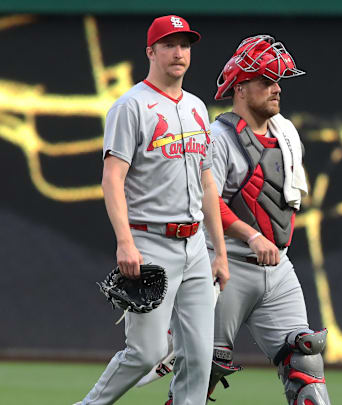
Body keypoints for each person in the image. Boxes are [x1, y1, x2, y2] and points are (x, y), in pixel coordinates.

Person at [166, 34, 331, 405]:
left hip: (277, 270)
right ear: (240, 89)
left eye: (277, 82)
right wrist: (252, 235)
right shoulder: (218, 137)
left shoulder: (286, 134)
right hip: (224, 268)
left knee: (305, 359)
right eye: (266, 81)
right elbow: (205, 202)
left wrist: (267, 238)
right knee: (199, 376)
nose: (276, 90)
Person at [76, 15, 229, 405]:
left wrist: (219, 251)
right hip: (150, 243)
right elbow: (112, 179)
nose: (179, 52)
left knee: (197, 356)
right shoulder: (130, 106)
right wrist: (125, 242)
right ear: (151, 51)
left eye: (185, 45)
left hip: (195, 245)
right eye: (169, 44)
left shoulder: (197, 108)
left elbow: (207, 182)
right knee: (144, 353)